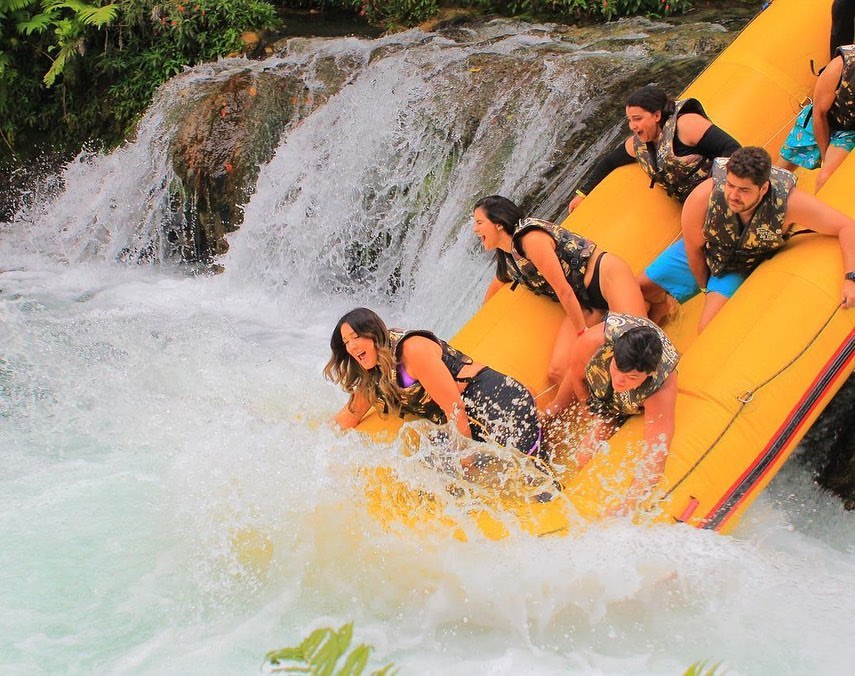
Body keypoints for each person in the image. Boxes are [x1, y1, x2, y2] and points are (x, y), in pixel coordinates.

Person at [639, 146, 855, 332]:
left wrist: (850, 278)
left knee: (708, 328)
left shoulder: (790, 204)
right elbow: (693, 248)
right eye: (730, 185)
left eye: (743, 190)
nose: (733, 195)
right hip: (710, 247)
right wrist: (705, 287)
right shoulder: (702, 198)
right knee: (641, 287)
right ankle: (663, 305)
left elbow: (846, 227)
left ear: (763, 189)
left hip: (741, 263)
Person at [325, 307, 546, 463]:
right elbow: (348, 417)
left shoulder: (411, 350)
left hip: (497, 404)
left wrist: (465, 458)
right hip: (469, 425)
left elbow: (455, 408)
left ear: (373, 334)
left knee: (535, 476)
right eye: (346, 343)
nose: (352, 347)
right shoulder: (371, 375)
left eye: (356, 337)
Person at [473, 194, 647, 389]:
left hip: (604, 277)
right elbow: (497, 283)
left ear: (498, 223)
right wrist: (483, 315)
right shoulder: (507, 259)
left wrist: (582, 335)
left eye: (479, 222)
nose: (475, 229)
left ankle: (655, 300)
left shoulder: (531, 239)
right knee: (557, 372)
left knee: (634, 343)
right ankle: (605, 400)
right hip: (584, 304)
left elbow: (563, 290)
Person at [550, 313, 679, 506]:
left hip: (638, 395)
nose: (620, 379)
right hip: (605, 383)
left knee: (586, 453)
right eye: (617, 368)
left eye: (632, 377)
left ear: (649, 375)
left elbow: (656, 451)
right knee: (582, 453)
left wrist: (628, 506)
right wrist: (589, 408)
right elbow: (577, 376)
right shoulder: (593, 342)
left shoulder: (660, 385)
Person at [568, 85, 740, 212]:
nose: (632, 126)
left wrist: (713, 185)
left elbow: (733, 149)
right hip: (695, 210)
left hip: (726, 197)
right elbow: (608, 162)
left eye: (637, 119)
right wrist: (582, 194)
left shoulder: (686, 125)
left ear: (657, 115)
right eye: (629, 120)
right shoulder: (637, 145)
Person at [778, 43, 855, 192]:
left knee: (825, 178)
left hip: (849, 131)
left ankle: (818, 210)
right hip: (820, 119)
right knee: (777, 175)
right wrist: (824, 154)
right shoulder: (841, 66)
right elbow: (819, 113)